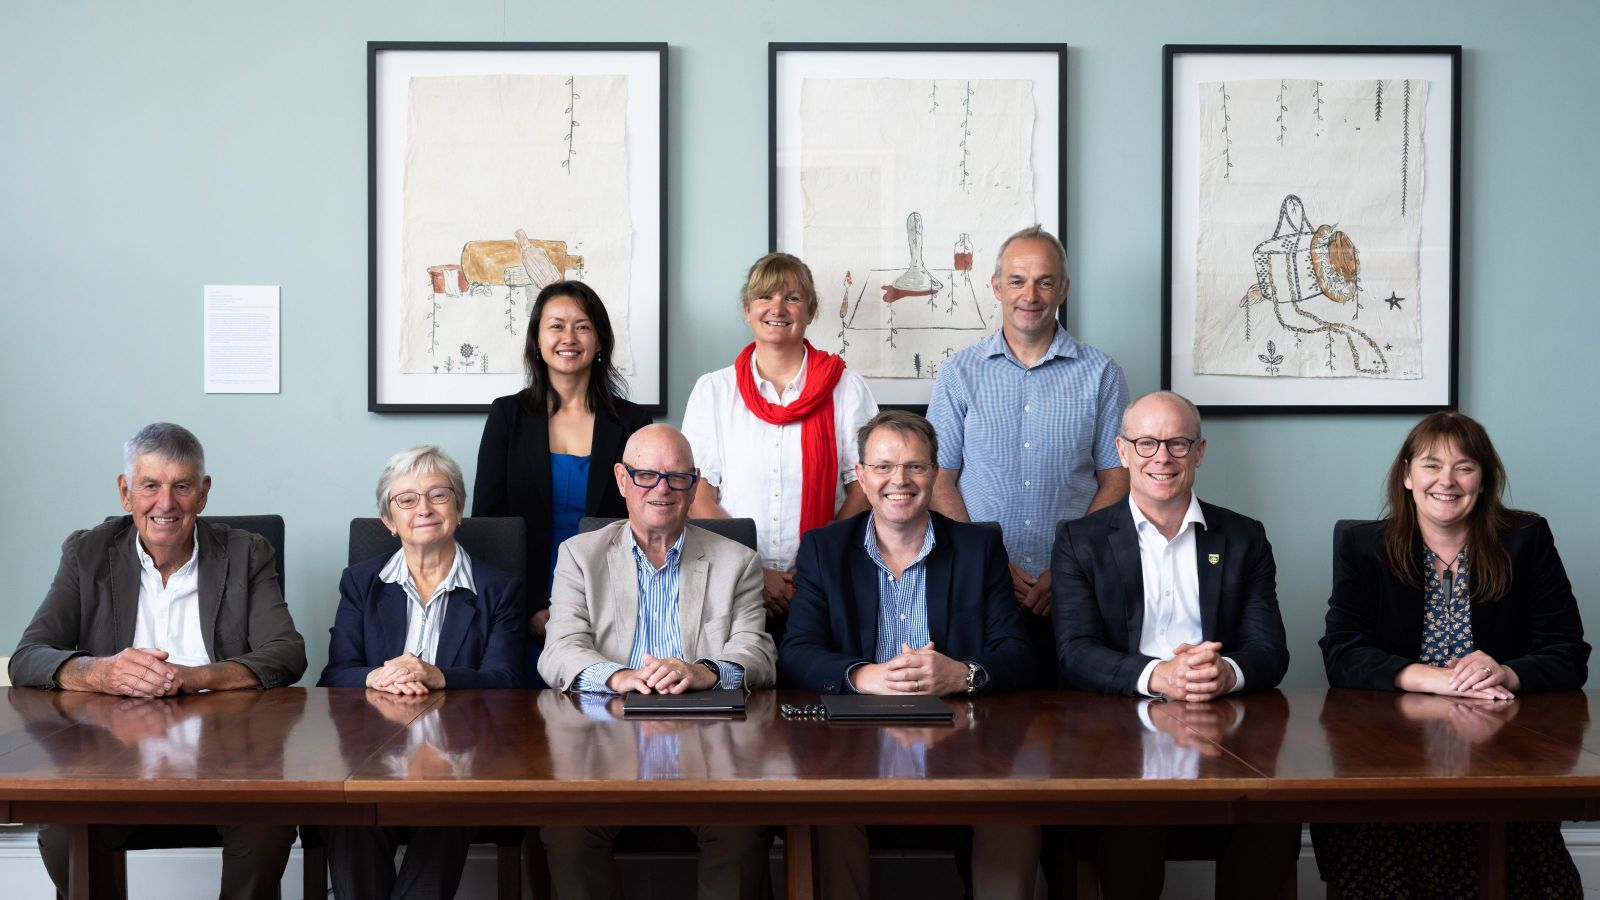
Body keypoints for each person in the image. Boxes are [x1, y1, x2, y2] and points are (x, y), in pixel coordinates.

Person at [9, 422, 306, 900]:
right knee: (63, 835)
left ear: (203, 493)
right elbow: (28, 657)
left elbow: (287, 653)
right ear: (126, 492)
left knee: (268, 826)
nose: (165, 504)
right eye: (150, 486)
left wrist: (193, 677)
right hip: (110, 763)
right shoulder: (87, 552)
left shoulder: (247, 552)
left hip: (230, 761)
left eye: (182, 486)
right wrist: (99, 672)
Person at [1314, 411, 1589, 898]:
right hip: (1390, 750)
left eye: (1464, 467)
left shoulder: (1526, 541)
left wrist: (1505, 671)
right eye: (1430, 464)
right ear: (1406, 476)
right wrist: (1429, 677)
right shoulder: (1365, 547)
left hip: (1504, 748)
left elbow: (1567, 652)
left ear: (1483, 480)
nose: (1447, 480)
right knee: (1384, 841)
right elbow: (1342, 652)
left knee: (1521, 849)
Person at [780, 409, 1039, 900]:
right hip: (849, 743)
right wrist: (863, 676)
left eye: (915, 467)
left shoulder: (978, 547)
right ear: (861, 476)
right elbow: (795, 652)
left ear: (935, 475)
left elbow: (1017, 653)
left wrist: (961, 674)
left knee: (1014, 816)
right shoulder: (823, 548)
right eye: (883, 467)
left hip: (963, 739)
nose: (899, 480)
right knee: (829, 816)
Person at [1050, 391, 1297, 900]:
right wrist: (1156, 675)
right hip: (1119, 729)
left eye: (1177, 443)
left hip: (1226, 729)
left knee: (1270, 814)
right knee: (1131, 817)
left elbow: (1270, 650)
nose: (1161, 457)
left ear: (1199, 452)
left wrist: (1226, 671)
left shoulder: (1244, 537)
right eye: (1146, 443)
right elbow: (1074, 651)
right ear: (1122, 451)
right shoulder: (1081, 539)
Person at [538, 424, 776, 900]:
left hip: (711, 748)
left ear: (694, 486)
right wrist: (620, 676)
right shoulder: (579, 555)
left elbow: (758, 651)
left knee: (740, 829)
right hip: (602, 743)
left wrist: (703, 671)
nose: (662, 489)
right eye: (647, 475)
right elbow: (559, 649)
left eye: (677, 477)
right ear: (623, 480)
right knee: (566, 831)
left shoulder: (738, 561)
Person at [317, 445, 524, 899]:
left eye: (437, 495)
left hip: (463, 754)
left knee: (448, 800)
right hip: (373, 754)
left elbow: (508, 681)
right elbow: (335, 675)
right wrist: (373, 677)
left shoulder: (498, 589)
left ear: (459, 508)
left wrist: (438, 675)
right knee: (352, 814)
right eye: (406, 500)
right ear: (389, 521)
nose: (424, 509)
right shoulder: (361, 583)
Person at [926, 224, 1128, 687]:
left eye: (1045, 281)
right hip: (982, 582)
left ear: (1064, 289)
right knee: (982, 727)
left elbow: (1117, 478)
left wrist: (1069, 562)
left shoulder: (1102, 373)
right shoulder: (960, 372)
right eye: (1017, 280)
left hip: (1076, 587)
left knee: (1075, 730)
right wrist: (988, 557)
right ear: (997, 287)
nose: (1030, 294)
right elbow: (939, 477)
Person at [682, 251, 878, 643]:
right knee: (735, 691)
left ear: (810, 310)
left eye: (792, 297)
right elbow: (697, 490)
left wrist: (816, 562)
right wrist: (753, 568)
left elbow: (867, 484)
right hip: (731, 580)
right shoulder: (714, 391)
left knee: (816, 692)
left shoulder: (846, 388)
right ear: (746, 309)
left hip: (827, 580)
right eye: (764, 297)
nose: (777, 308)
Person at [474, 280, 653, 686]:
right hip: (524, 611)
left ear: (600, 340)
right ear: (537, 340)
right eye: (556, 326)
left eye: (582, 326)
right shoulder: (508, 416)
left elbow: (648, 526)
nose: (568, 338)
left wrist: (596, 611)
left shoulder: (633, 423)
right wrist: (529, 609)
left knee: (608, 732)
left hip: (615, 609)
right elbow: (489, 528)